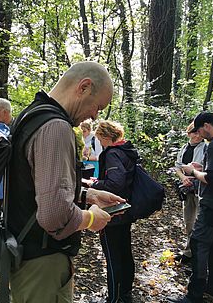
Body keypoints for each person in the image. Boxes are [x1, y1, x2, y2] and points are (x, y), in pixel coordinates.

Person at [8, 61, 126, 303]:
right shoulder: (56, 128)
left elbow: (35, 184)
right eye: (98, 107)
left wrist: (87, 195)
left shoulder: (30, 115)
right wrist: (92, 218)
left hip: (24, 250)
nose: (95, 115)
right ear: (83, 87)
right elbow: (54, 215)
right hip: (42, 263)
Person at [168, 112, 213, 303]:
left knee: (198, 243)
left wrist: (194, 171)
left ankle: (194, 294)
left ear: (206, 125)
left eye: (199, 130)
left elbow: (210, 178)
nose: (198, 134)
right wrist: (202, 168)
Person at [83, 120, 138, 303]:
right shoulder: (126, 150)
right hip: (126, 209)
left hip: (113, 211)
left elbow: (116, 182)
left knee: (113, 256)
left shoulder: (113, 153)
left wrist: (95, 184)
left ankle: (113, 298)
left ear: (106, 137)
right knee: (124, 252)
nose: (99, 143)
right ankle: (125, 294)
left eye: (99, 139)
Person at [174, 122, 207, 263]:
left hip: (201, 188)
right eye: (194, 132)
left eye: (199, 133)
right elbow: (178, 167)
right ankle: (188, 251)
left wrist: (194, 173)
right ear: (189, 133)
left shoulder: (206, 148)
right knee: (188, 221)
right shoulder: (184, 148)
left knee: (200, 222)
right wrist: (184, 178)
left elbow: (208, 169)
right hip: (187, 189)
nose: (197, 136)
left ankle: (197, 255)